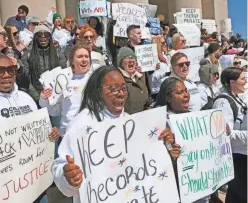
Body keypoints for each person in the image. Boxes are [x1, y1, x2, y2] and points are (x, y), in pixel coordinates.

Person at [52, 65, 178, 203]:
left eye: (124, 88)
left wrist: (165, 148)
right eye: (113, 88)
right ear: (98, 92)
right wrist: (68, 177)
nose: (121, 93)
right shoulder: (81, 124)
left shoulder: (130, 121)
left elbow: (146, 164)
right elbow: (60, 169)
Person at [0, 54, 59, 203]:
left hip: (35, 183)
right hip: (3, 191)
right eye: (0, 71)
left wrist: (50, 134)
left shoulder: (26, 99)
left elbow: (41, 133)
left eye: (11, 70)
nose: (7, 75)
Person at [154, 77, 210, 203]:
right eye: (180, 92)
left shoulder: (194, 117)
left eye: (186, 91)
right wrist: (169, 155)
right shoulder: (158, 123)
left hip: (197, 184)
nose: (186, 95)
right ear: (168, 98)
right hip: (174, 188)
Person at [39, 44, 92, 136]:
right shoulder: (62, 79)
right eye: (80, 57)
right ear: (72, 61)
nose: (84, 60)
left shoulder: (94, 79)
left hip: (89, 133)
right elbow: (54, 111)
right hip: (67, 133)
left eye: (86, 56)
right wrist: (44, 99)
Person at [212, 67, 247, 203]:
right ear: (232, 82)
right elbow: (225, 134)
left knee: (236, 195)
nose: (245, 82)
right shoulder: (223, 102)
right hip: (236, 156)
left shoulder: (236, 97)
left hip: (242, 153)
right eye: (243, 79)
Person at [22, 24, 67, 103]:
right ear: (35, 38)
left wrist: (56, 95)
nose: (43, 38)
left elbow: (64, 76)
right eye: (39, 36)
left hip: (56, 97)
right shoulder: (27, 55)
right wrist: (38, 97)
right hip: (36, 97)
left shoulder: (58, 54)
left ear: (50, 37)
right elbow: (26, 79)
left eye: (46, 35)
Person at [117, 47, 151, 114]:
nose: (131, 60)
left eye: (133, 58)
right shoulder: (119, 80)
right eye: (127, 58)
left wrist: (149, 106)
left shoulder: (139, 77)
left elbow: (145, 98)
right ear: (121, 63)